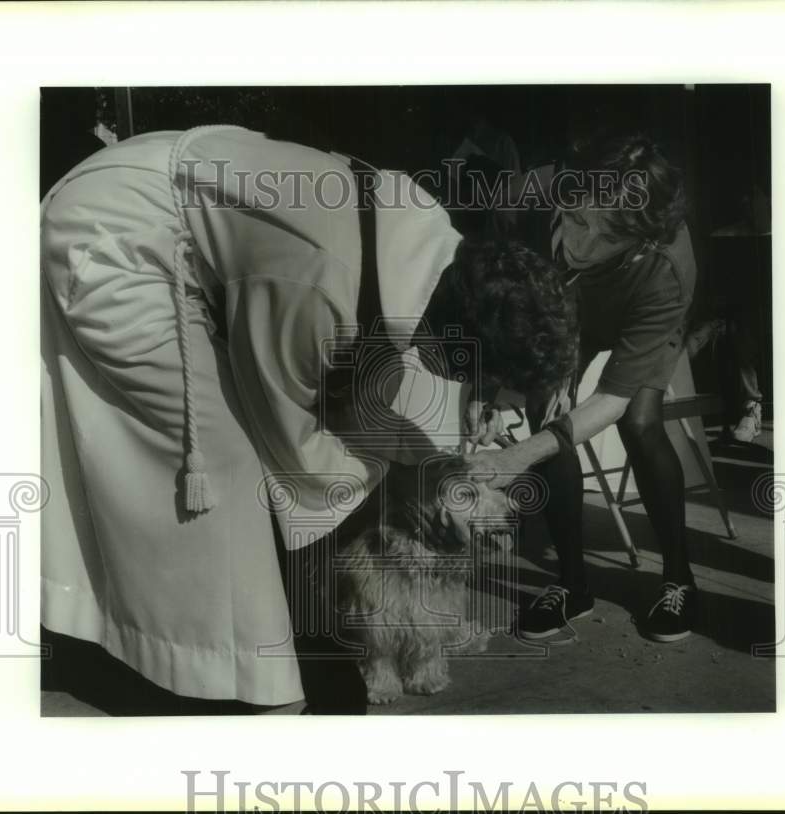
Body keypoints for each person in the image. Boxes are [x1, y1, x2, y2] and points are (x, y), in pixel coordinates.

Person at [41, 124, 577, 714]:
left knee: (365, 424)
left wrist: (433, 437)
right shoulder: (313, 285)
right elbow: (288, 432)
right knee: (227, 460)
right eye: (479, 374)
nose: (476, 389)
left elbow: (373, 362)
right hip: (116, 236)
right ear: (458, 339)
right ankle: (221, 667)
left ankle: (254, 645)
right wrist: (413, 465)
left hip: (203, 220)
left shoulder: (438, 252)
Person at [464, 133, 700, 642]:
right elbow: (505, 299)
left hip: (633, 306)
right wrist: (488, 380)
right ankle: (572, 584)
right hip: (568, 302)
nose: (579, 244)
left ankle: (679, 576)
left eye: (606, 236)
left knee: (639, 421)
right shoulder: (532, 192)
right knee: (546, 417)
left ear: (642, 238)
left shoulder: (668, 272)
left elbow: (611, 400)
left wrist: (513, 458)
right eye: (575, 219)